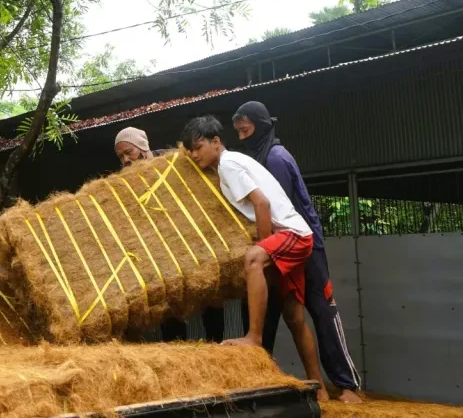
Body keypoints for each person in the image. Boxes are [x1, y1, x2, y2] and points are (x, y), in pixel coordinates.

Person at [179, 115, 328, 402]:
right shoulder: (230, 165)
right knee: (295, 318)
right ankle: (319, 390)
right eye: (191, 151)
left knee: (253, 259)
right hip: (298, 233)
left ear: (216, 142)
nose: (195, 155)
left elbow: (262, 203)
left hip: (293, 234)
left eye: (198, 147)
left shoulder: (229, 164)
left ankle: (254, 337)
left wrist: (263, 246)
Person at [233, 101, 362, 403]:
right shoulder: (257, 157)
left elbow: (279, 210)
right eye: (237, 127)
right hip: (282, 245)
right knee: (278, 312)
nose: (239, 131)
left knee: (321, 310)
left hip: (304, 244)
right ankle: (271, 384)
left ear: (261, 125)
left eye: (245, 126)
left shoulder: (276, 158)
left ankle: (349, 385)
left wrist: (264, 247)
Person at [113, 126, 225, 343]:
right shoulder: (126, 181)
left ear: (142, 147)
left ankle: (217, 345)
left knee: (211, 297)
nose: (126, 160)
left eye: (129, 152)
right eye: (121, 156)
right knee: (171, 305)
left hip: (195, 240)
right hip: (164, 254)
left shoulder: (173, 162)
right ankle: (176, 352)